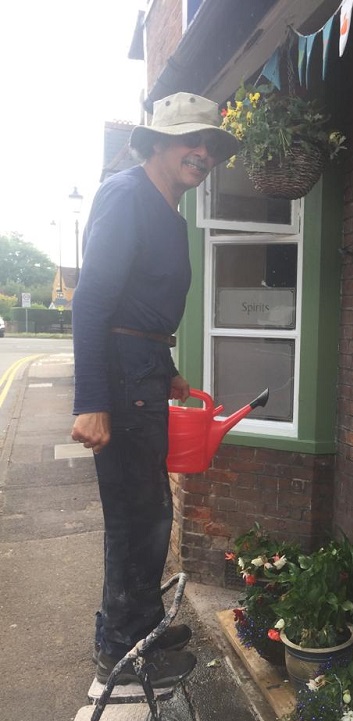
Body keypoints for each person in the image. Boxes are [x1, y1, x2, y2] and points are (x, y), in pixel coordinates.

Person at [71, 93, 239, 687]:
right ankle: (122, 651)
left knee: (151, 510)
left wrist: (165, 366)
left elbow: (140, 307)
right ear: (156, 143)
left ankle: (138, 624)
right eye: (191, 140)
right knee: (135, 515)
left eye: (212, 144)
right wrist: (90, 400)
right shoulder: (126, 195)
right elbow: (92, 303)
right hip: (119, 375)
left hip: (142, 366)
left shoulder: (166, 209)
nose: (204, 152)